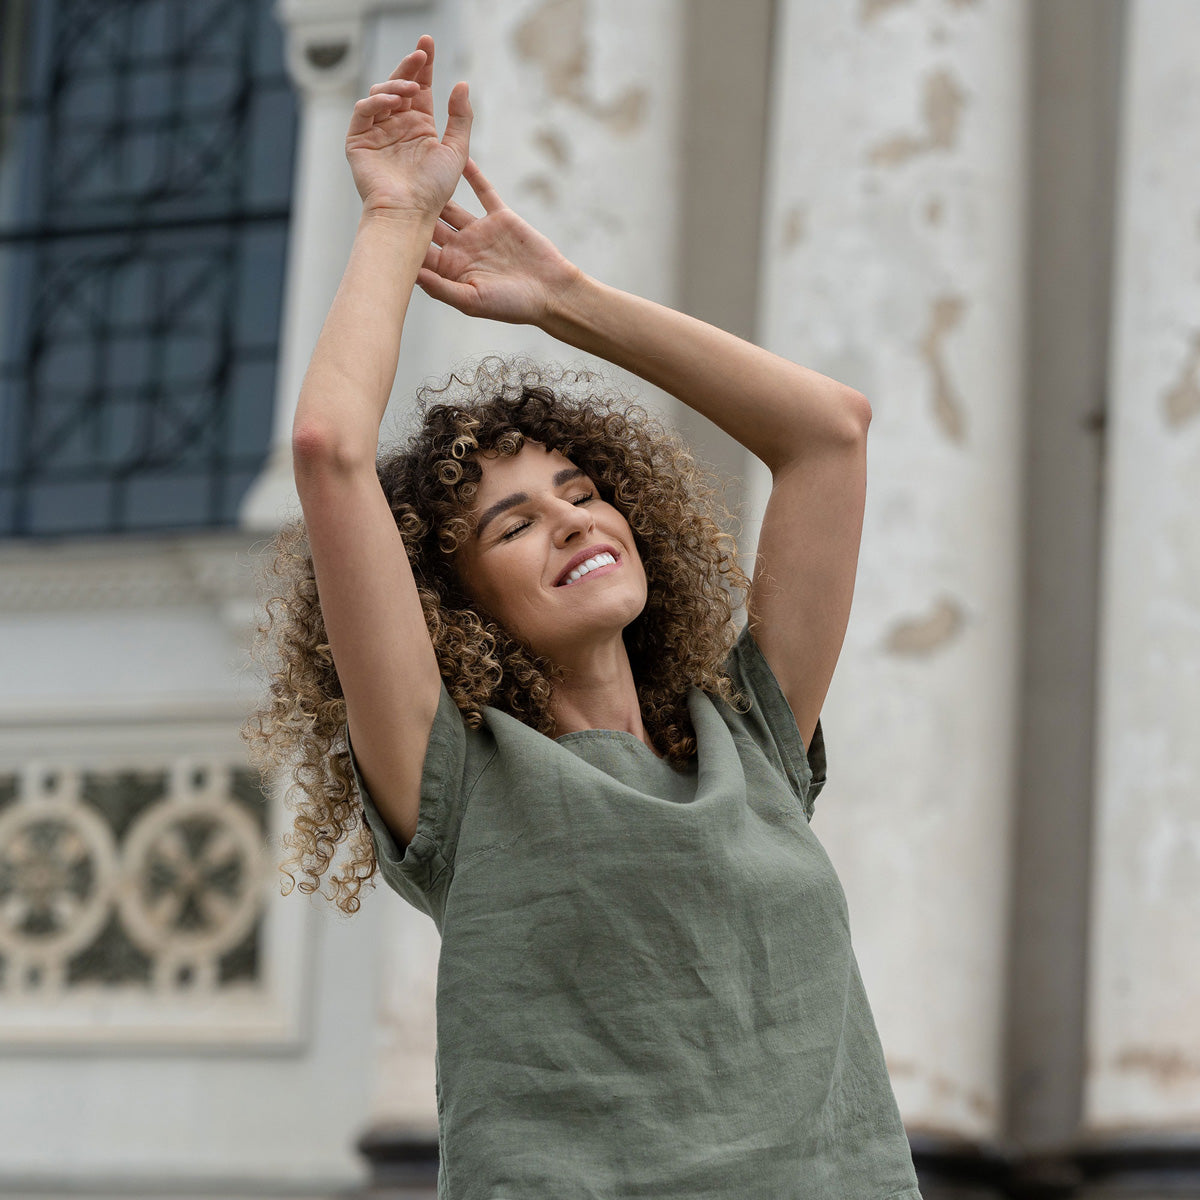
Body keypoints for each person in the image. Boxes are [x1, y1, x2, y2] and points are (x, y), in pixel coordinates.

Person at [244, 34, 923, 1200]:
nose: (570, 523)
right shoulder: (459, 785)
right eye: (512, 528)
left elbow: (830, 433)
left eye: (582, 491)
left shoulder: (750, 740)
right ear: (457, 610)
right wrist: (398, 219)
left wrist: (563, 300)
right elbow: (330, 452)